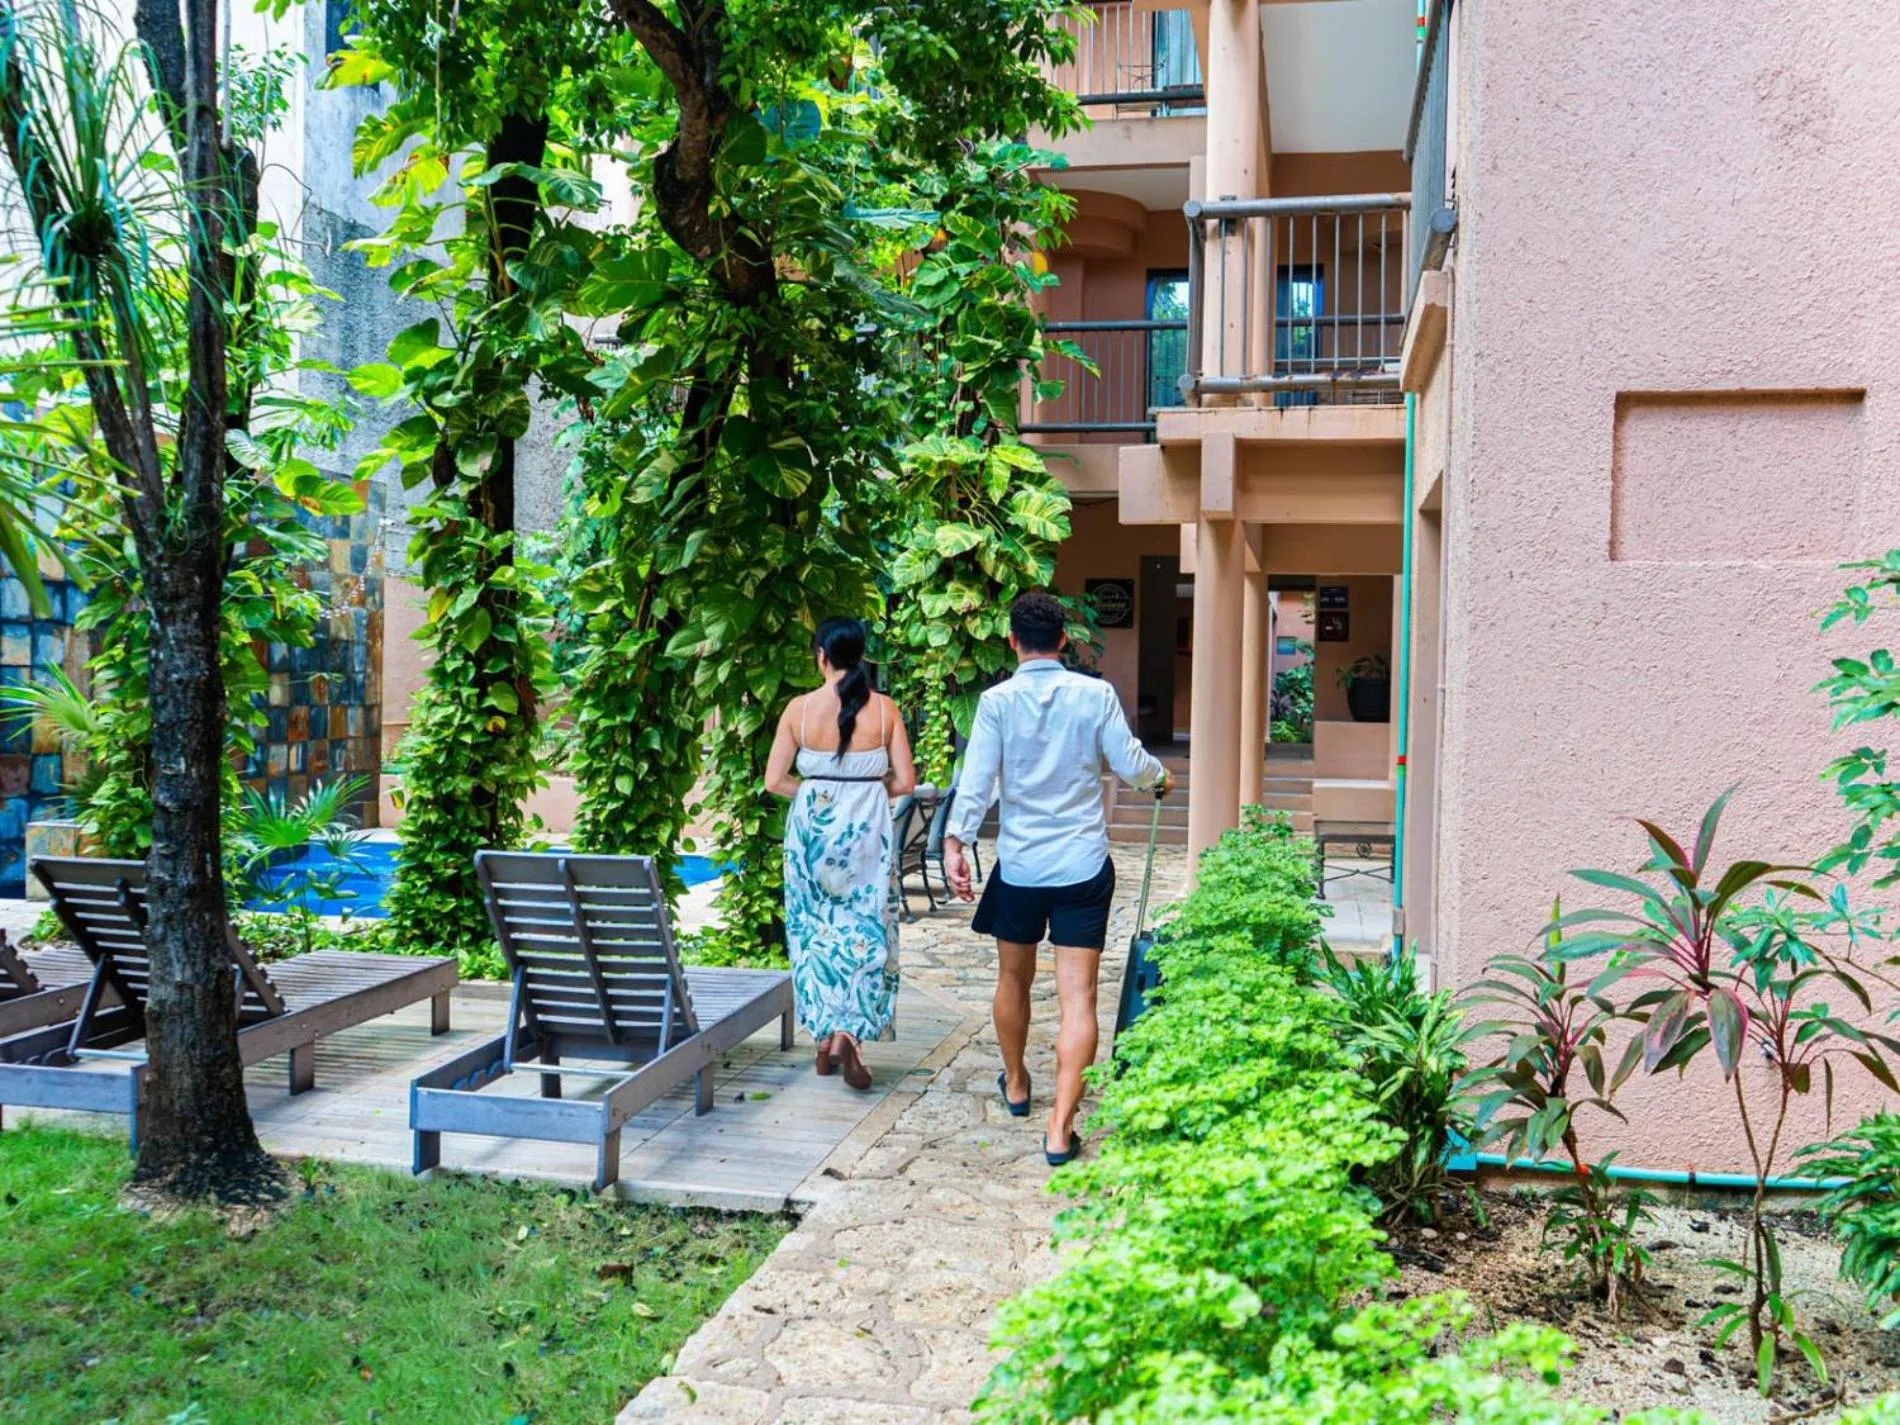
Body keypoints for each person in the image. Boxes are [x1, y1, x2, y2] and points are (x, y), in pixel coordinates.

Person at [943, 590, 1169, 1165]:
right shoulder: (1095, 695)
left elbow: (977, 780)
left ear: (1012, 641)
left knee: (1011, 979)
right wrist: (1159, 778)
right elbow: (1131, 763)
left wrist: (956, 842)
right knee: (1078, 997)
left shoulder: (996, 702)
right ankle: (1060, 1128)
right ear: (1064, 640)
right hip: (1081, 865)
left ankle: (1017, 1082)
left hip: (1020, 866)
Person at [765, 616, 916, 1091]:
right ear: (861, 656)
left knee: (813, 930)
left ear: (821, 657)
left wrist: (819, 796)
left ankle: (824, 1035)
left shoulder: (799, 710)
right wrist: (864, 793)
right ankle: (850, 1033)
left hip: (811, 837)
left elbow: (775, 781)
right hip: (867, 836)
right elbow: (905, 782)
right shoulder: (885, 709)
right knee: (866, 927)